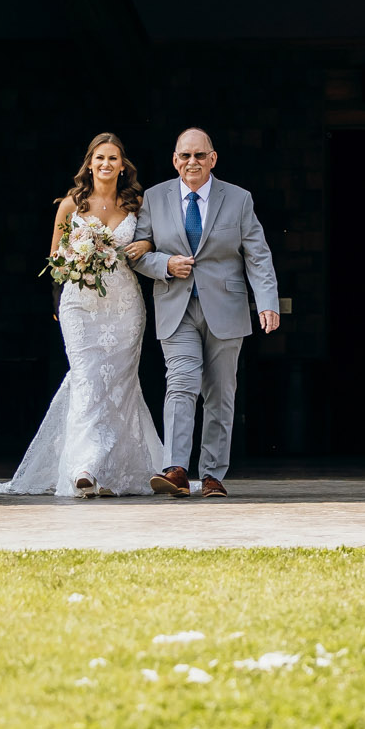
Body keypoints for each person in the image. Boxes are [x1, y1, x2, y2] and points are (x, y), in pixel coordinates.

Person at [0, 132, 163, 498]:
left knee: (119, 385)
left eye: (113, 159)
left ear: (123, 166)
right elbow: (55, 262)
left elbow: (158, 242)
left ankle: (109, 468)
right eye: (99, 158)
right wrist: (78, 258)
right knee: (86, 379)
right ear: (90, 164)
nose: (106, 165)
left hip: (124, 307)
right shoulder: (70, 206)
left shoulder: (138, 206)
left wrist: (147, 243)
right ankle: (83, 466)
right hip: (79, 306)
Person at [125, 127, 279, 499]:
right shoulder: (154, 198)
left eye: (198, 156)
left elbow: (257, 254)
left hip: (226, 308)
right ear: (174, 160)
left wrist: (268, 301)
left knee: (221, 394)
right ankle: (175, 468)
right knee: (180, 383)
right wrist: (165, 264)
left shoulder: (239, 199)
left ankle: (211, 474)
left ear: (212, 159)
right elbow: (138, 252)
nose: (191, 162)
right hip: (176, 306)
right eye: (184, 156)